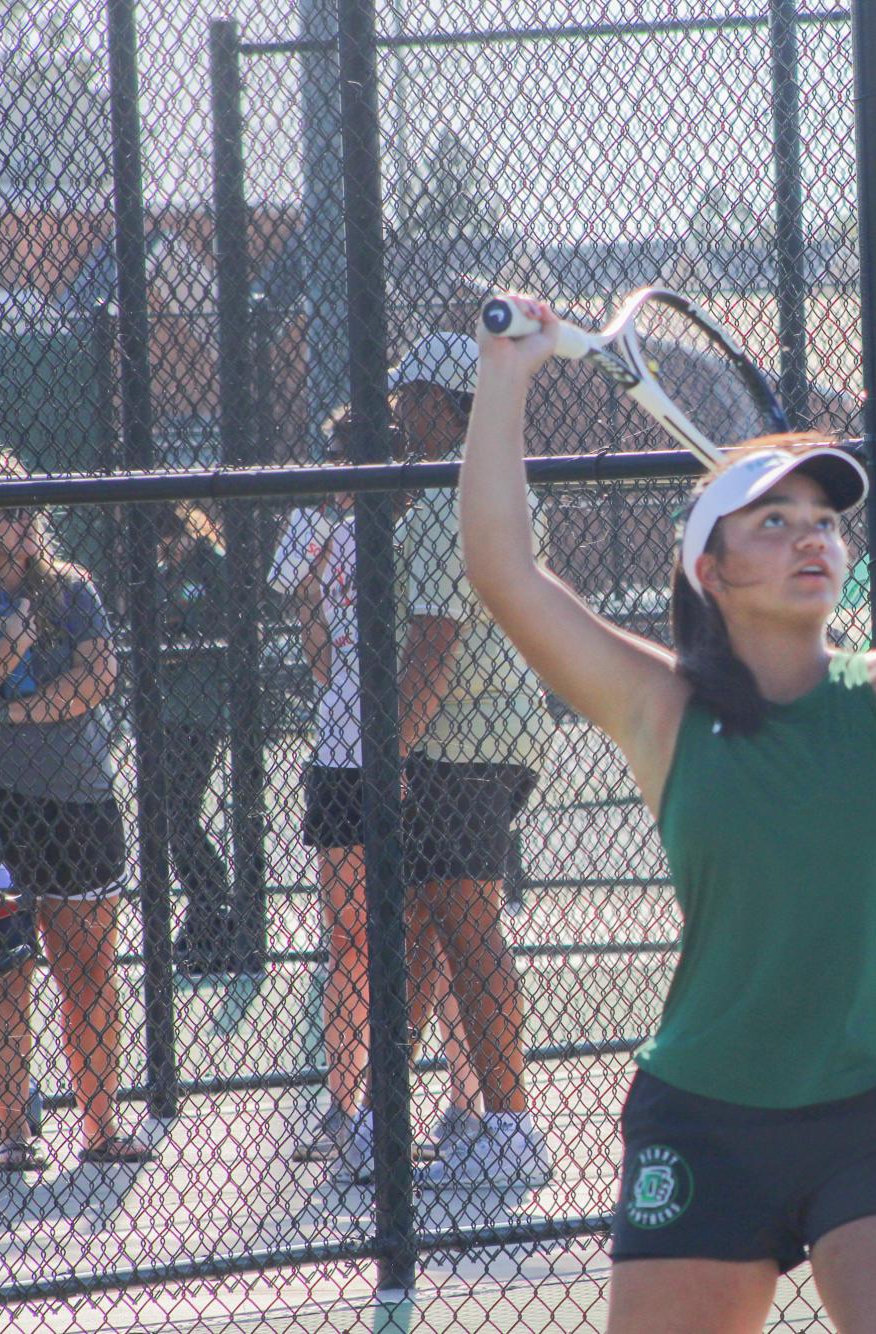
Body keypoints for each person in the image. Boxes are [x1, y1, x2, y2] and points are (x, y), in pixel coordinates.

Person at [459, 293, 876, 1334]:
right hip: (705, 1118)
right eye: (775, 521)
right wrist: (505, 377)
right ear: (711, 570)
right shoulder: (659, 705)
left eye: (822, 522)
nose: (812, 539)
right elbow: (504, 571)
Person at [0, 450, 148, 1170]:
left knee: (89, 967)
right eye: (4, 508)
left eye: (27, 507)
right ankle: (14, 1131)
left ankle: (101, 1127)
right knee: (6, 964)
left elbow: (96, 678)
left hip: (75, 803)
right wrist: (6, 649)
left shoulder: (73, 593)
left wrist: (5, 711)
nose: (22, 520)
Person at [269, 409, 482, 1175]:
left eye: (349, 460)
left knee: (443, 928)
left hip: (417, 755)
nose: (337, 476)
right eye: (330, 459)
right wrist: (308, 600)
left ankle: (465, 1103)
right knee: (351, 938)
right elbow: (324, 667)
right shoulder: (317, 532)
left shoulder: (420, 529)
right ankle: (346, 1106)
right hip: (339, 755)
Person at [388, 332, 555, 1187]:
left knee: (463, 921)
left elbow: (433, 646)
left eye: (410, 393)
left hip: (466, 743)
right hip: (482, 741)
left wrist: (393, 752)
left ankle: (511, 1126)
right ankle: (397, 1116)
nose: (396, 407)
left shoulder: (459, 503)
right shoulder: (478, 493)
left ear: (450, 407)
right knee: (425, 919)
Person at [155, 499, 238, 977]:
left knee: (180, 810)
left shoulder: (211, 565)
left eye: (173, 537)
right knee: (169, 813)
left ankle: (212, 895)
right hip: (170, 707)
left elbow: (219, 621)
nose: (170, 548)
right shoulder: (168, 571)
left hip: (200, 708)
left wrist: (183, 630)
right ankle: (205, 898)